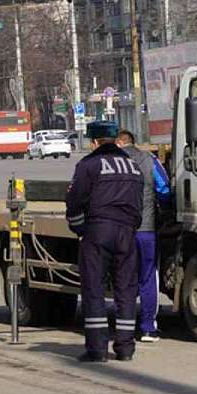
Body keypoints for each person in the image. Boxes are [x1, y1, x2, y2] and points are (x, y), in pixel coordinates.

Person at [65, 120, 143, 363]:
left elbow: (74, 202)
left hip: (98, 231)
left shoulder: (88, 165)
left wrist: (80, 229)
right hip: (127, 232)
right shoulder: (133, 166)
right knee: (126, 290)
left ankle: (98, 350)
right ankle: (125, 348)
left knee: (94, 289)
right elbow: (139, 204)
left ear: (94, 141)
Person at [116, 129, 172, 343]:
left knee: (124, 278)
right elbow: (164, 189)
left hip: (121, 231)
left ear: (120, 142)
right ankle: (148, 328)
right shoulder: (150, 160)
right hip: (146, 229)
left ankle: (125, 329)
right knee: (148, 276)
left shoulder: (112, 162)